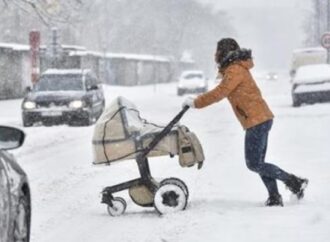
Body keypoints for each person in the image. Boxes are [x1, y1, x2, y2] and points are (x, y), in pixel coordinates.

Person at [182, 38, 308, 206]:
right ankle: (274, 197)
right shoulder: (235, 68)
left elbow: (220, 92)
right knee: (259, 163)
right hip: (259, 118)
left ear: (224, 52)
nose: (215, 54)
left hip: (257, 120)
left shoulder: (235, 69)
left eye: (217, 51)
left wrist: (195, 102)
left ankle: (294, 182)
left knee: (254, 164)